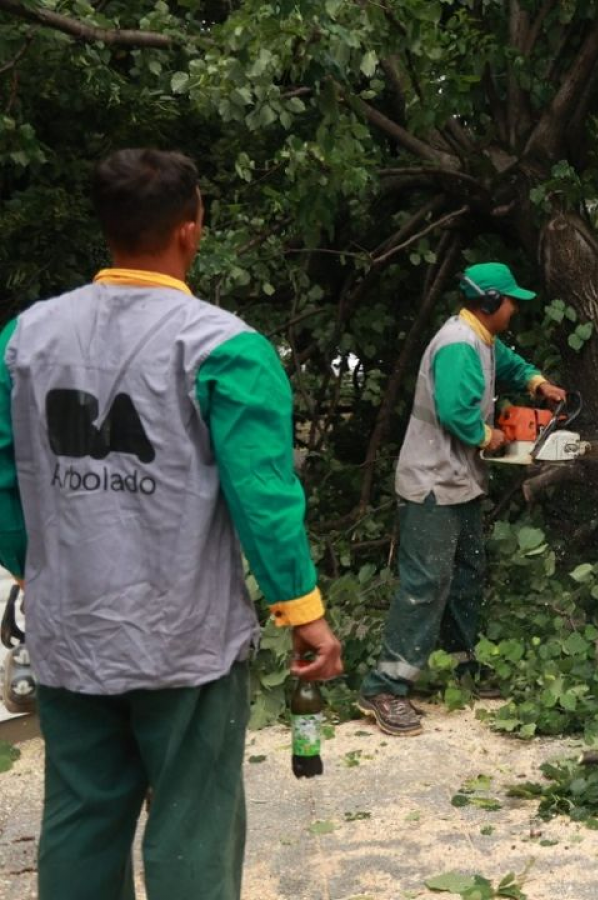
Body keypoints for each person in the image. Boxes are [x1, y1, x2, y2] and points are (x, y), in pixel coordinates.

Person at [0, 148, 342, 900]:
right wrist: (304, 613)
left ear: (107, 226)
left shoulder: (24, 339)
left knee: (83, 817)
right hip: (183, 641)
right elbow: (264, 497)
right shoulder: (225, 348)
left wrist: (37, 563)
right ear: (192, 228)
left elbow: (3, 473)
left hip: (70, 632)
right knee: (192, 825)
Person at [357, 262, 565, 736]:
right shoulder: (456, 344)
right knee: (427, 582)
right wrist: (488, 435)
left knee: (468, 572)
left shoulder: (482, 339)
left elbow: (509, 364)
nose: (515, 308)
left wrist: (537, 384)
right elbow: (455, 410)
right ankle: (383, 686)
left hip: (461, 481)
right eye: (510, 301)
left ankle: (461, 665)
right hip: (432, 481)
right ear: (490, 301)